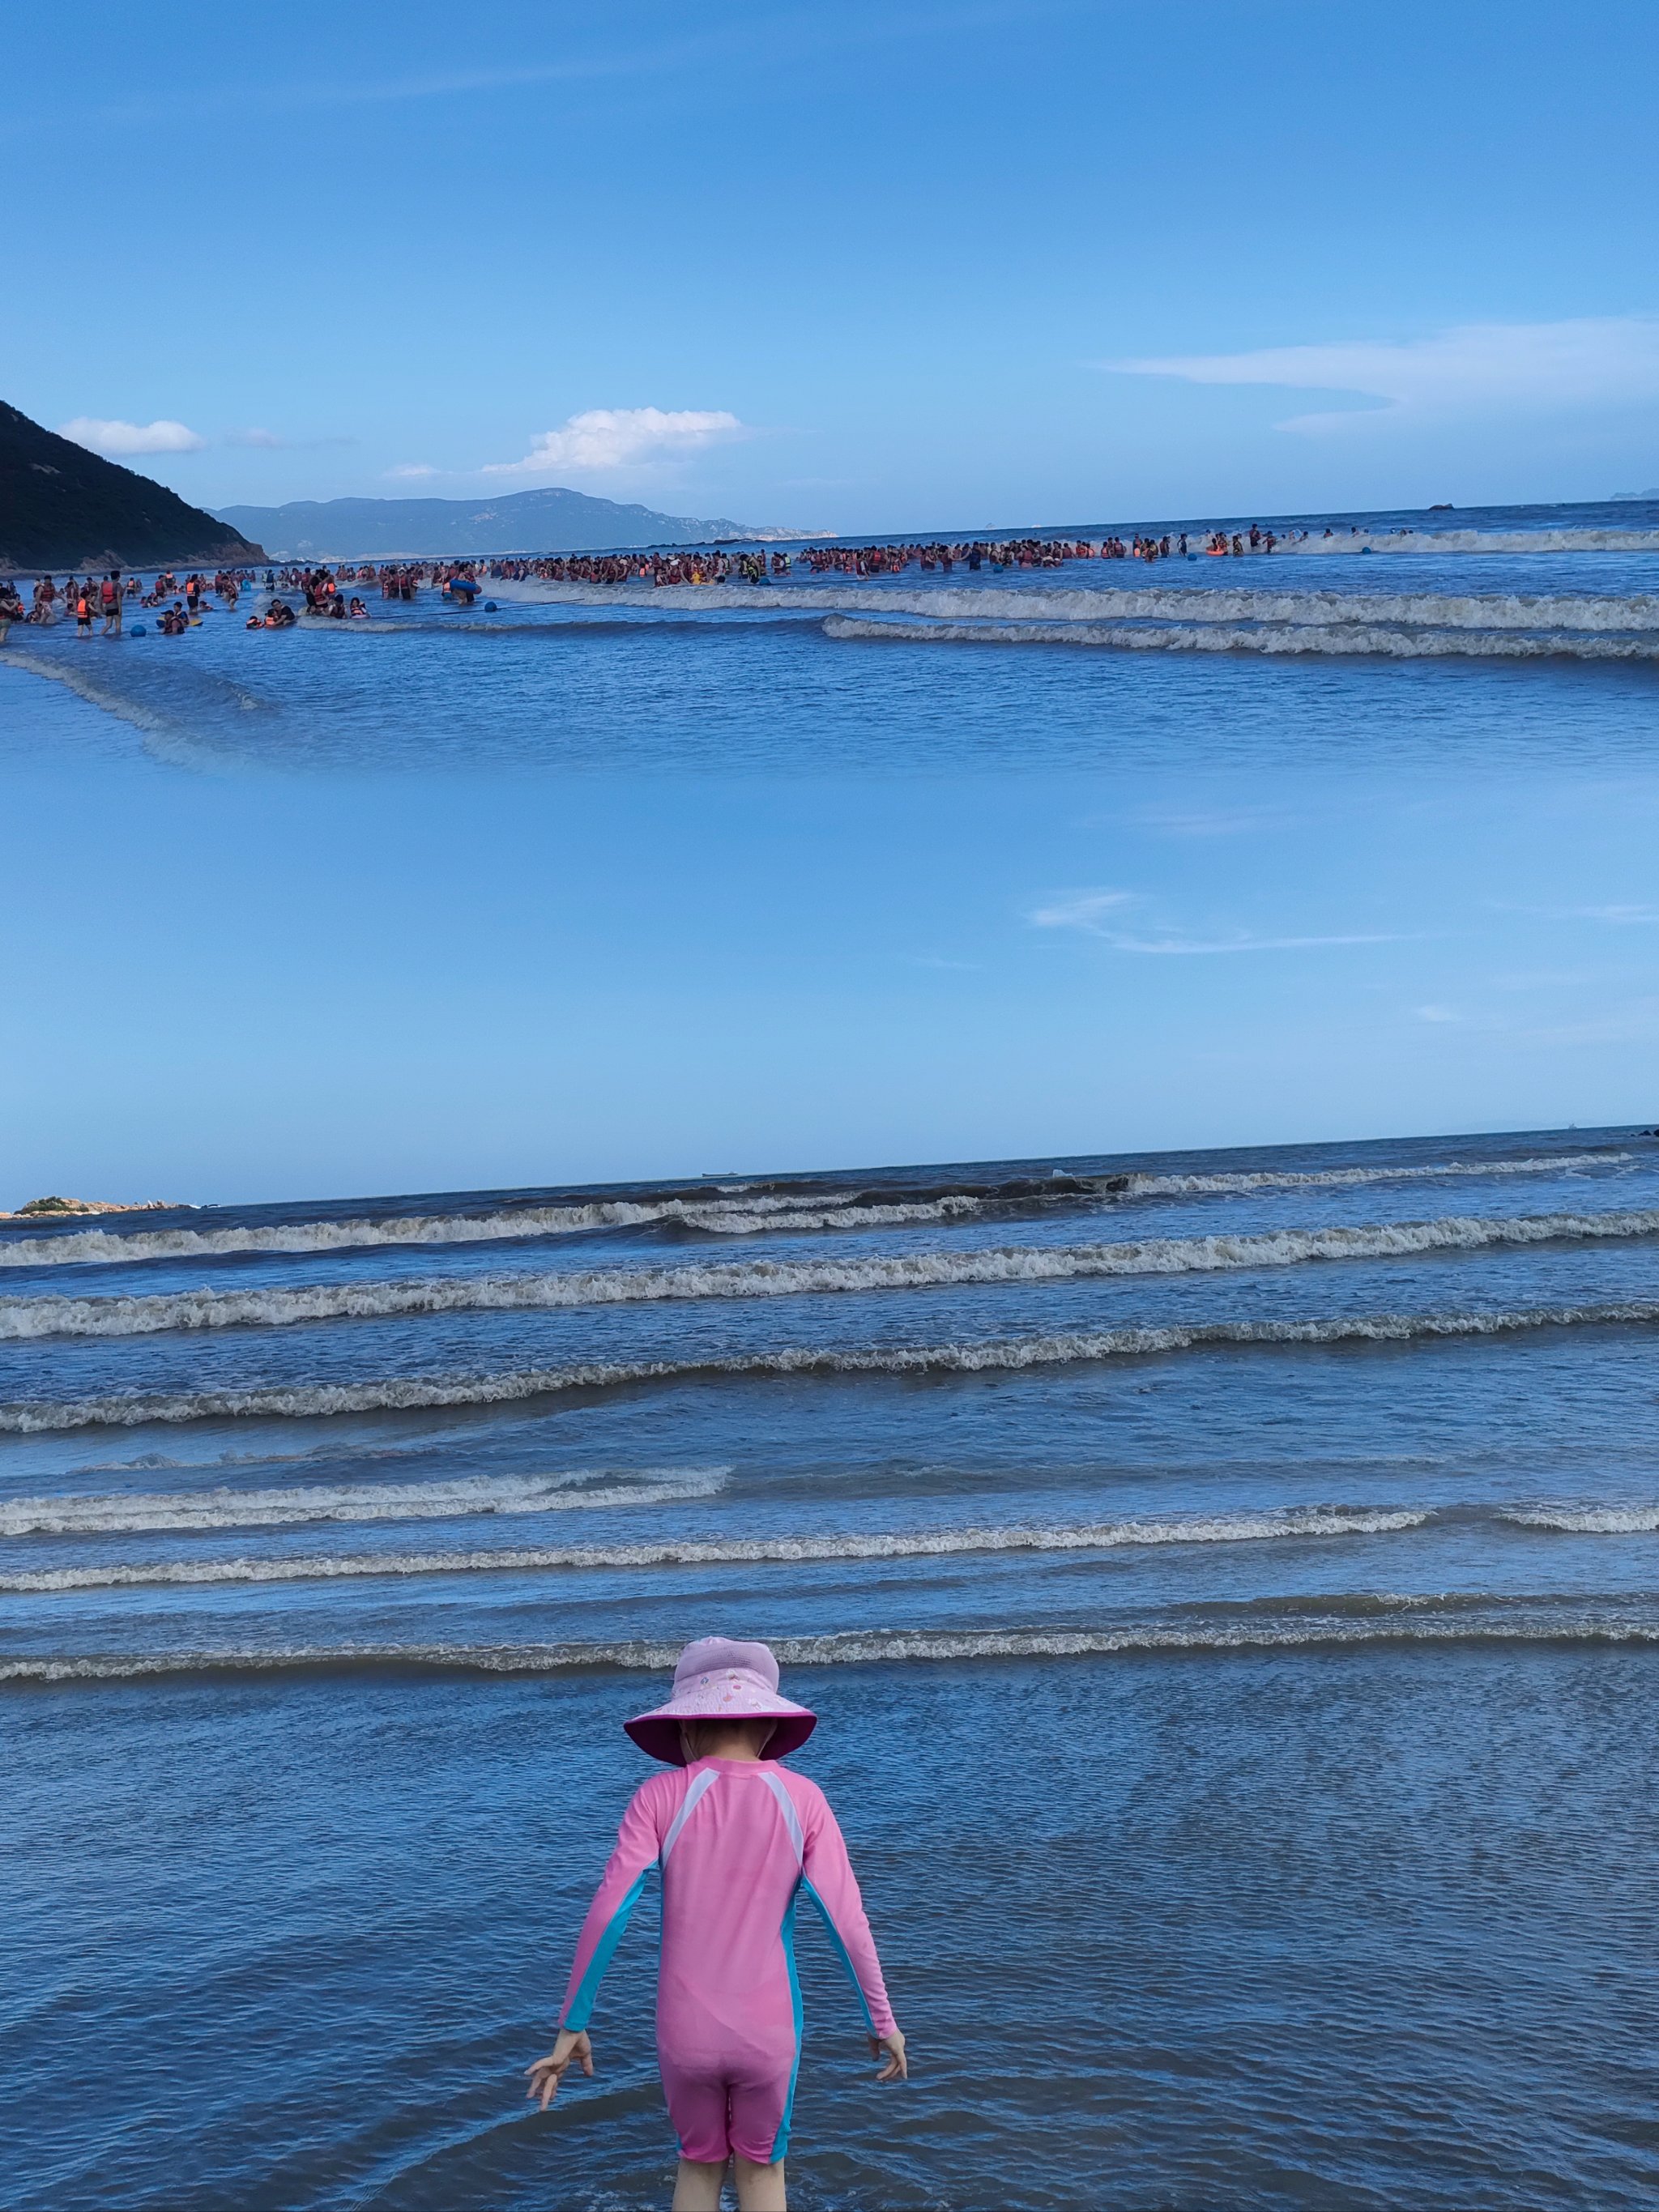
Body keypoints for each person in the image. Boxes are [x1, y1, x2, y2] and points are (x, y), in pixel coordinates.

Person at [527, 1637, 906, 2212]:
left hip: (686, 2034)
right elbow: (845, 1918)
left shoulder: (657, 1796)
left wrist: (572, 2023)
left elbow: (610, 1909)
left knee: (697, 2167)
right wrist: (882, 2018)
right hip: (769, 2031)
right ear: (770, 1724)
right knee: (763, 2170)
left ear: (684, 1727)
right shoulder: (803, 1798)